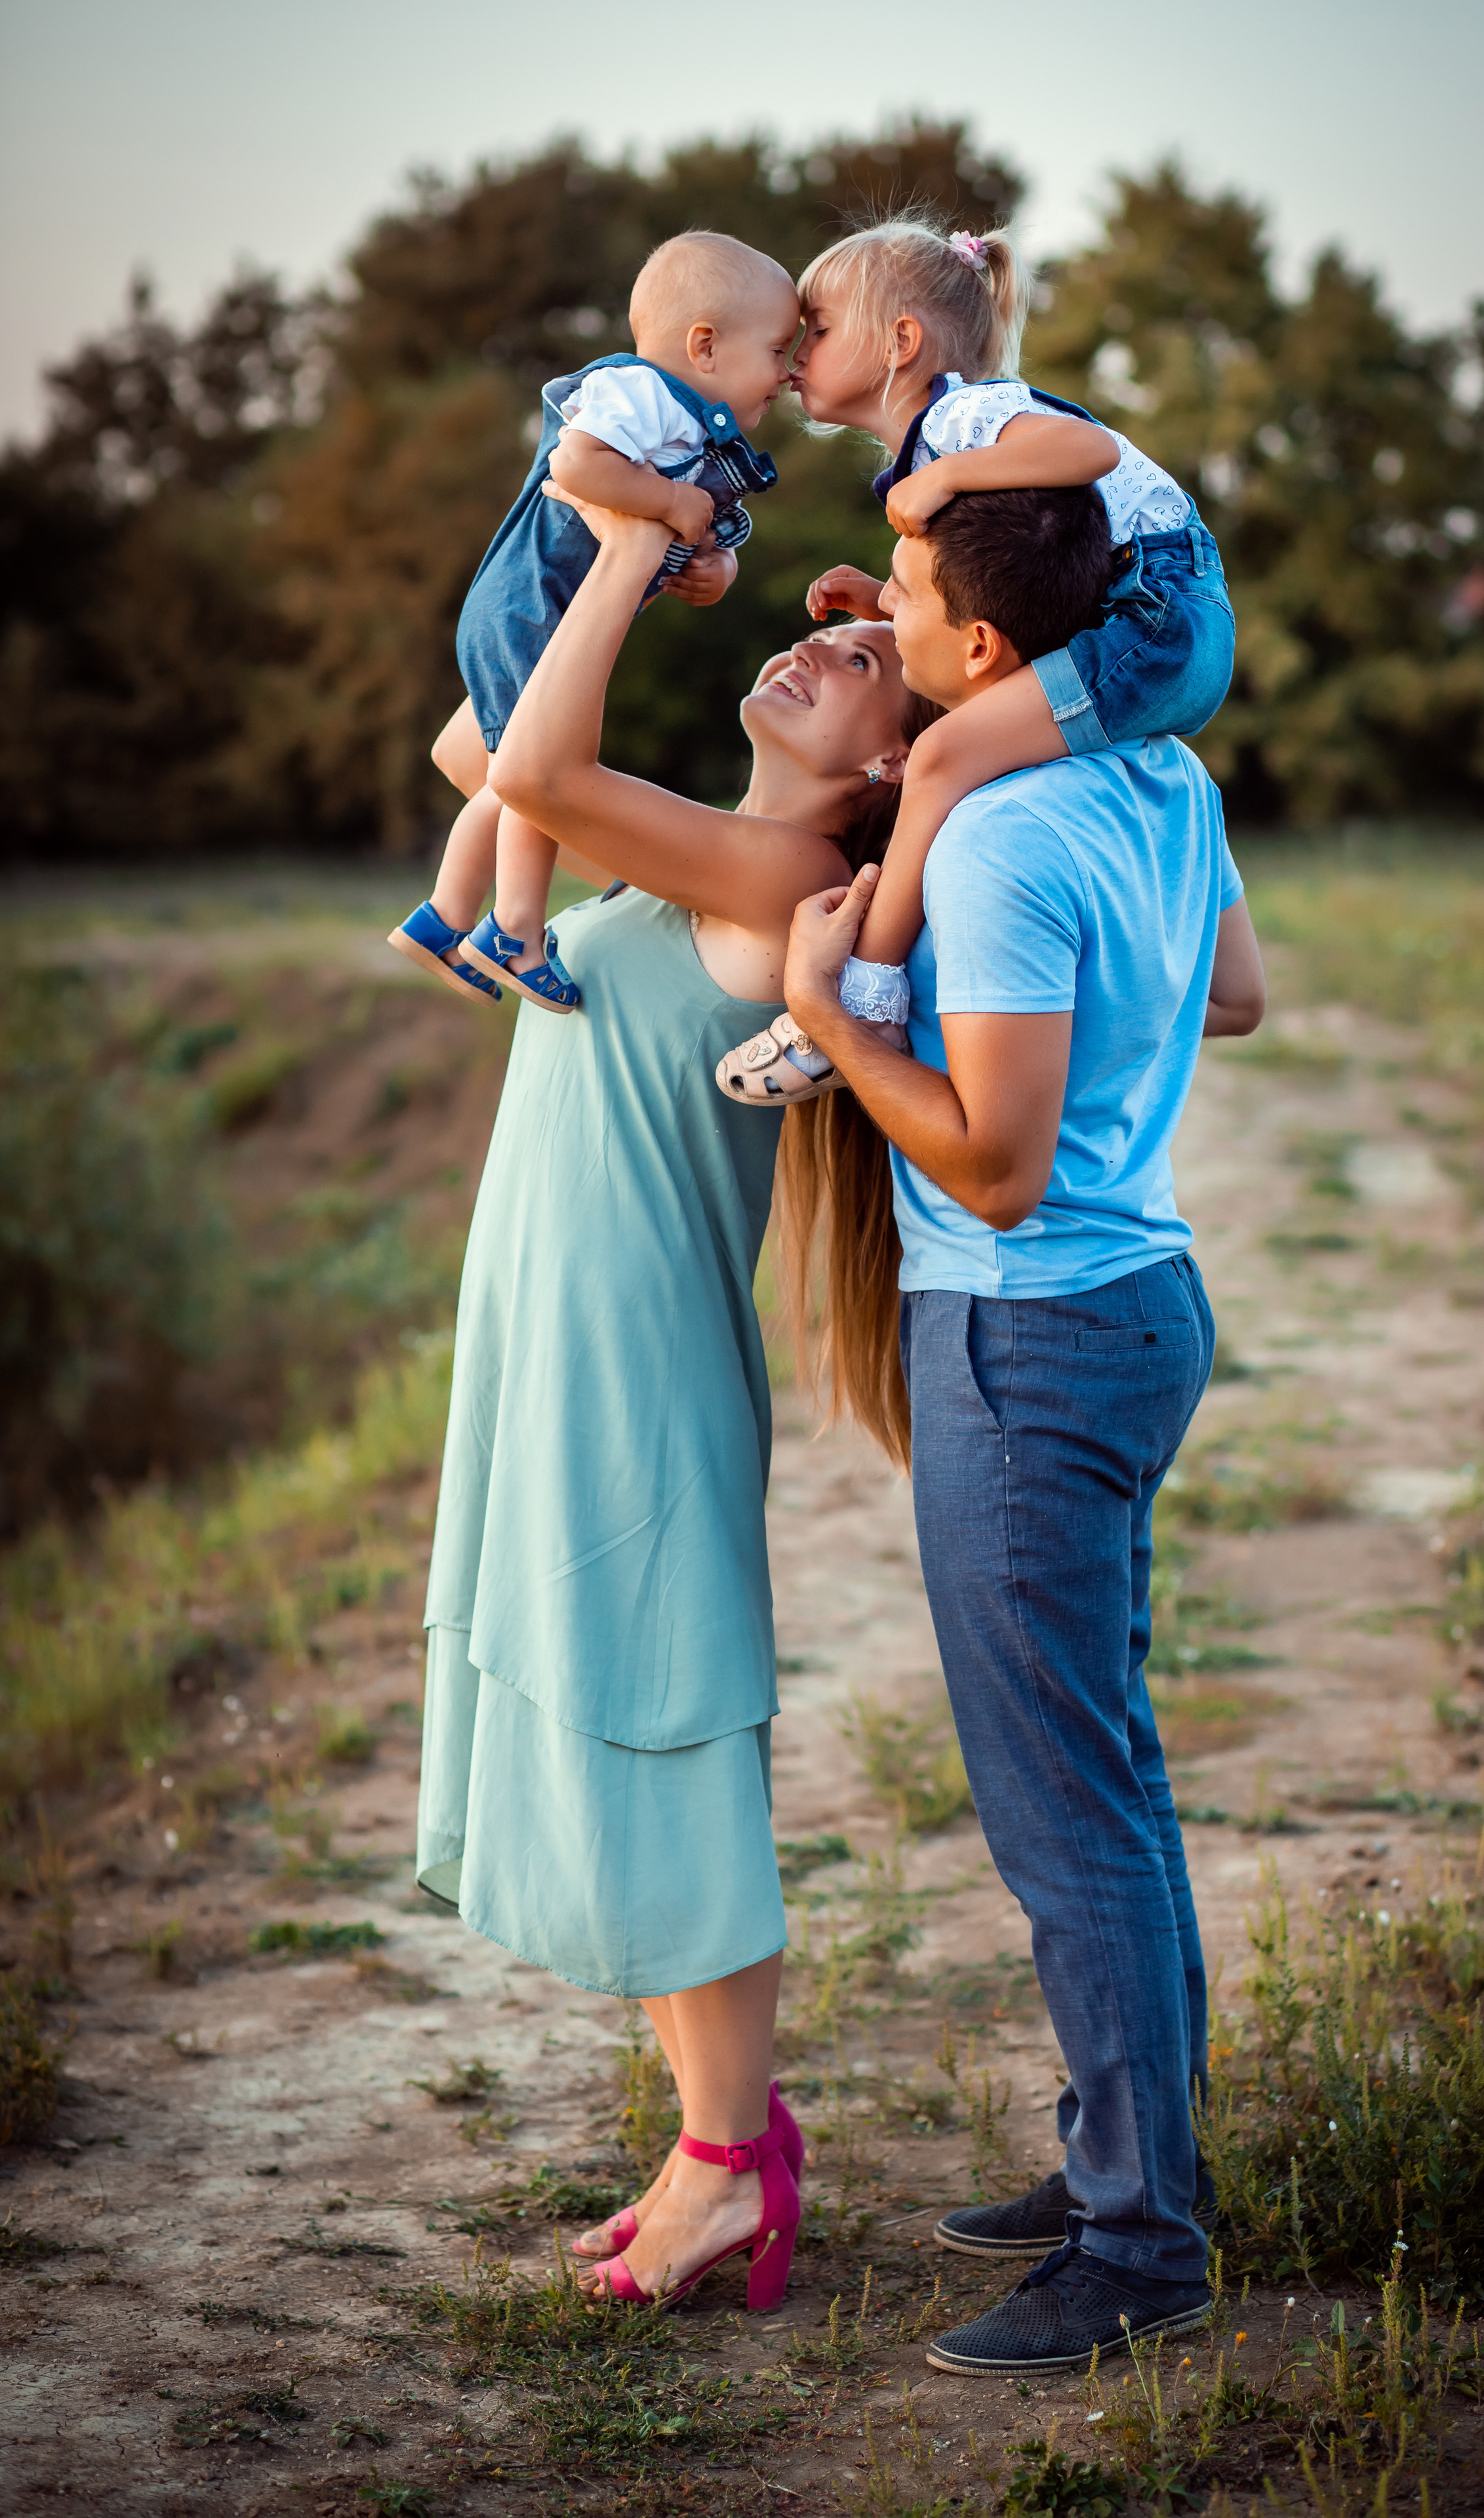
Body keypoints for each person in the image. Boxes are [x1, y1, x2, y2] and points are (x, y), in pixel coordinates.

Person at [415, 490, 931, 2314]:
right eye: (821, 632)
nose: (815, 647)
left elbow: (536, 763)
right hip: (551, 1326)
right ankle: (720, 2142)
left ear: (886, 778)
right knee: (623, 1723)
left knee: (668, 1734)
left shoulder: (784, 884)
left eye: (866, 664)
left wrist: (638, 541)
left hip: (630, 1355)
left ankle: (728, 2170)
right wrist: (572, 529)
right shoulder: (706, 849)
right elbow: (480, 738)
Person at [782, 481, 1268, 2375]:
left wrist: (835, 1018)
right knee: (1108, 1781)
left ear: (986, 653)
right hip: (1141, 1305)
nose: (879, 612)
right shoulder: (1163, 776)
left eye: (901, 592)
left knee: (1067, 1820)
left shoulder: (994, 838)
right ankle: (1124, 2165)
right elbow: (1234, 993)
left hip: (1033, 1330)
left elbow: (987, 1168)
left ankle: (1142, 2239)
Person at [715, 214, 1233, 1105]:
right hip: (1144, 617)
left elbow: (1090, 450)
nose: (798, 352)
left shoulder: (966, 414)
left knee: (945, 755)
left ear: (901, 342)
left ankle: (859, 1004)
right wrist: (890, 602)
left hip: (1163, 617)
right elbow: (1001, 608)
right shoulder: (939, 439)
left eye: (821, 329)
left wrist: (950, 479)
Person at [389, 231, 797, 1012]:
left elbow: (713, 534)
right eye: (779, 349)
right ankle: (509, 930)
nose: (786, 372)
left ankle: (445, 918)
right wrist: (671, 503)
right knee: (540, 775)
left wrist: (716, 568)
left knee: (523, 776)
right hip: (530, 605)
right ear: (703, 346)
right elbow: (575, 466)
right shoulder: (639, 394)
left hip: (555, 614)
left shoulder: (705, 439)